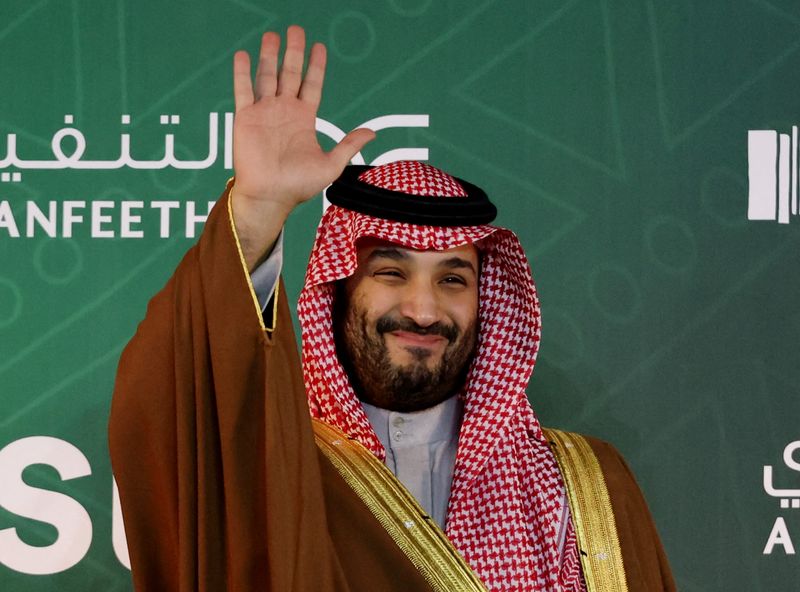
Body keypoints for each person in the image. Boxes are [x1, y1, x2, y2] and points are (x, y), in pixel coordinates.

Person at [109, 26, 675, 592]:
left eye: (454, 278)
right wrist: (259, 208)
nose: (424, 310)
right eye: (390, 272)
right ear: (340, 287)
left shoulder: (579, 487)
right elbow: (166, 411)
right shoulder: (274, 467)